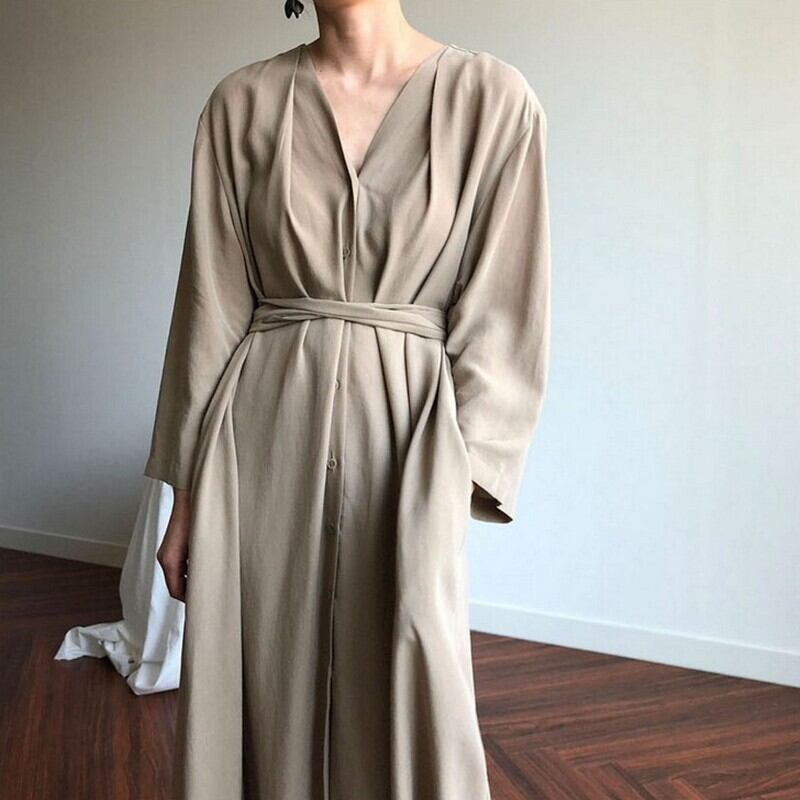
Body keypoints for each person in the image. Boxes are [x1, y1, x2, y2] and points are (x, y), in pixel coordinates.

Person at [146, 1, 550, 797]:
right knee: (264, 677)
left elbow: (505, 316)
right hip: (259, 440)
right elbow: (209, 308)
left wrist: (457, 477)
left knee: (412, 681)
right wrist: (185, 499)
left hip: (411, 445)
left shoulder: (492, 100)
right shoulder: (241, 104)